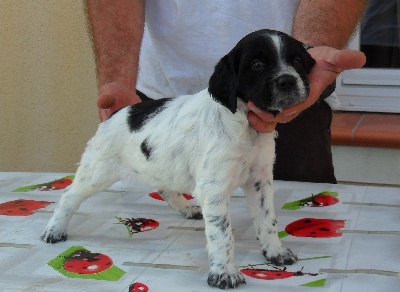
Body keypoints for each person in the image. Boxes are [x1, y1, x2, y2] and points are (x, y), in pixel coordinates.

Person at [85, 0, 367, 183]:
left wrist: (306, 58)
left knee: (301, 248)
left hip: (289, 109)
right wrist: (119, 79)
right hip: (158, 108)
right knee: (147, 252)